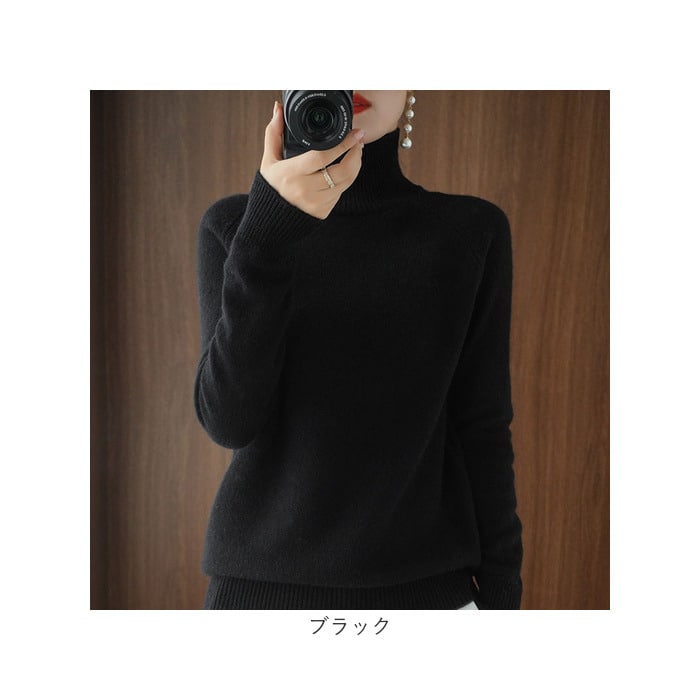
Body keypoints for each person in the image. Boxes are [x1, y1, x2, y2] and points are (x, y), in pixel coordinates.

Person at [193, 90, 523, 610]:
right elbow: (229, 422)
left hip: (428, 596)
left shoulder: (470, 233)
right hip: (258, 600)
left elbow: (482, 427)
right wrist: (267, 233)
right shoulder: (237, 227)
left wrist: (503, 598)